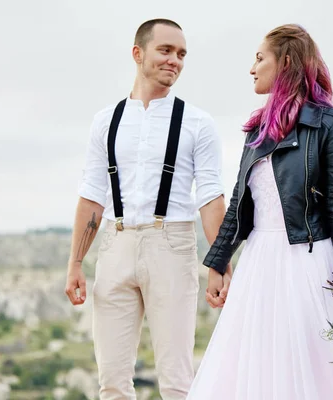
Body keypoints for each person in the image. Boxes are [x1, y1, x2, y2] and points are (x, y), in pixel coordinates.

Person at [187, 24, 333, 399]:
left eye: (259, 58)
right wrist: (217, 264)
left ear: (285, 62)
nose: (251, 68)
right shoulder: (258, 128)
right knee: (254, 371)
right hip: (258, 265)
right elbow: (241, 202)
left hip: (308, 264)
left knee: (313, 369)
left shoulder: (331, 124)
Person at [64, 18, 228, 400]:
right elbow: (92, 194)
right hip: (115, 243)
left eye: (182, 54)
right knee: (112, 382)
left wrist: (219, 262)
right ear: (138, 53)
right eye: (166, 50)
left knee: (177, 382)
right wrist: (75, 263)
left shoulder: (197, 123)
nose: (175, 61)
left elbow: (210, 197)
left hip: (171, 244)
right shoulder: (105, 121)